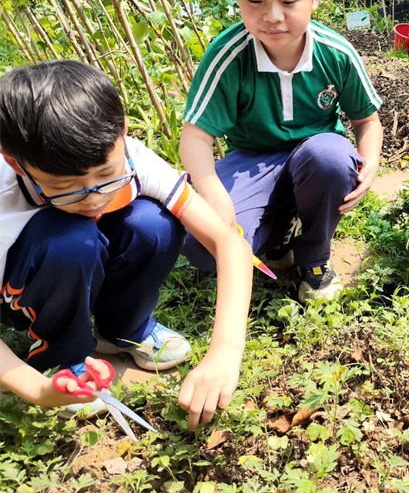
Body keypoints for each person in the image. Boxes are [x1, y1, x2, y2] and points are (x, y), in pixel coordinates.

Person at [0, 61, 253, 427]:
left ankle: (124, 330)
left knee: (155, 222)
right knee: (71, 240)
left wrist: (224, 354)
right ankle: (62, 356)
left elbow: (229, 244)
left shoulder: (134, 158)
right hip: (21, 279)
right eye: (62, 186)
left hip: (76, 258)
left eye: (106, 175)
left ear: (122, 132)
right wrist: (37, 388)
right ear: (17, 163)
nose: (91, 198)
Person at [180, 0, 383, 301]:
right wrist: (215, 197)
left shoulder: (335, 53)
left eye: (288, 1)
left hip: (316, 158)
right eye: (255, 0)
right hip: (252, 161)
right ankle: (278, 235)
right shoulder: (227, 56)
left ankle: (315, 258)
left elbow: (367, 120)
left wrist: (369, 162)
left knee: (329, 157)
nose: (272, 16)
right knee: (200, 243)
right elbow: (194, 138)